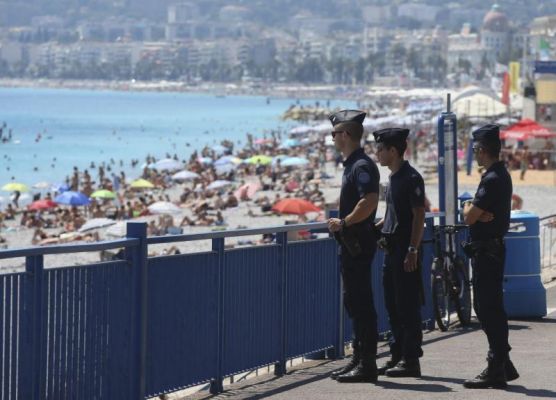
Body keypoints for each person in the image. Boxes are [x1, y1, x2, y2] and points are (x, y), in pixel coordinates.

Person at [462, 124, 519, 389]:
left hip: (488, 252)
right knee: (490, 306)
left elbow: (470, 216)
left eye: (475, 150)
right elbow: (475, 213)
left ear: (483, 150)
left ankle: (496, 364)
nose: (474, 154)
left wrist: (468, 208)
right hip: (489, 249)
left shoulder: (493, 178)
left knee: (486, 307)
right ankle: (502, 362)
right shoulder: (499, 175)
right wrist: (473, 210)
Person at [326, 110, 380, 383]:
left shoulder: (360, 166)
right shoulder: (352, 164)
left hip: (357, 243)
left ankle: (367, 363)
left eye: (334, 133)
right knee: (354, 302)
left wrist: (344, 222)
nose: (332, 138)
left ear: (345, 134)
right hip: (351, 244)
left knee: (360, 303)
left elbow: (370, 200)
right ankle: (358, 359)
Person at [373, 127, 425, 378]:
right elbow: (392, 214)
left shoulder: (410, 177)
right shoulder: (393, 179)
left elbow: (419, 215)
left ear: (393, 151)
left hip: (405, 251)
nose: (377, 154)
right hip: (391, 250)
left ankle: (411, 359)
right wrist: (376, 228)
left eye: (381, 149)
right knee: (392, 305)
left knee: (407, 305)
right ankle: (397, 354)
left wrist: (413, 249)